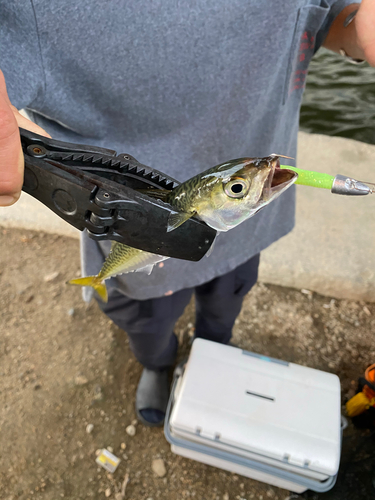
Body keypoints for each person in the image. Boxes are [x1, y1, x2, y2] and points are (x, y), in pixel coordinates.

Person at [1, 0, 374, 426]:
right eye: (237, 188)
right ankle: (157, 362)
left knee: (226, 300)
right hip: (132, 232)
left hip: (243, 232)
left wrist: (358, 19)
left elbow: (331, 14)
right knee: (146, 319)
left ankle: (211, 351)